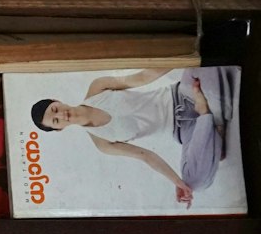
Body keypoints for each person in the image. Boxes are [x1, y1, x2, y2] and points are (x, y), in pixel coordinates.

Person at [30, 68, 232, 210]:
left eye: (55, 109)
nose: (62, 115)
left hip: (182, 94)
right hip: (184, 129)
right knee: (196, 181)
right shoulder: (103, 144)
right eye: (56, 121)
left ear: (58, 101)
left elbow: (142, 77)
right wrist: (178, 183)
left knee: (204, 67)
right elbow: (146, 156)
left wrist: (183, 57)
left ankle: (212, 130)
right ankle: (206, 114)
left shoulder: (97, 88)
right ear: (59, 129)